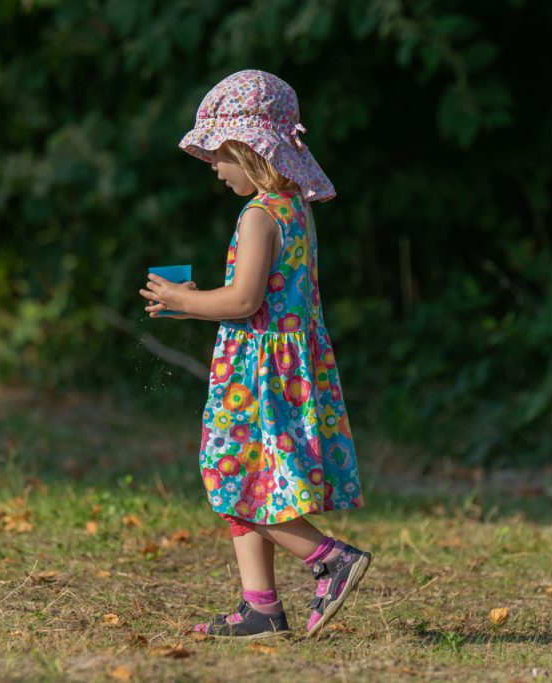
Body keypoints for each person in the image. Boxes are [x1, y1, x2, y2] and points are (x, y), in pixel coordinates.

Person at [138, 70, 371, 639]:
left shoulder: (260, 215)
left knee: (235, 480)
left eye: (219, 156)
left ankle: (329, 560)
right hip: (286, 367)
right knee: (249, 479)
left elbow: (243, 300)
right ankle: (260, 607)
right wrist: (195, 299)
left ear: (250, 149)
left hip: (259, 373)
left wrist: (183, 303)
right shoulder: (295, 209)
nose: (214, 169)